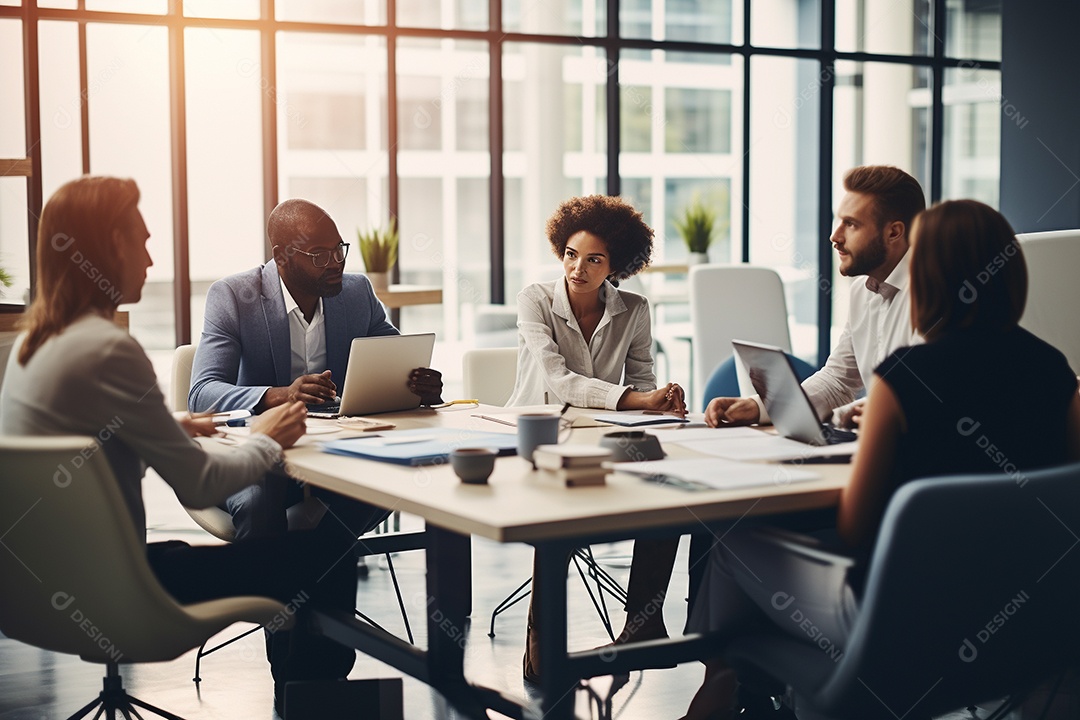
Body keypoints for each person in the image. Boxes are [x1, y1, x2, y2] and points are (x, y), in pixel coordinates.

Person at [679, 200, 1080, 720]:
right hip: (1031, 621)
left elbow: (853, 525)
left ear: (928, 277)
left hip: (902, 622)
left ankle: (726, 686)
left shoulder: (904, 378)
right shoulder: (1057, 374)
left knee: (732, 540)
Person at [0, 176, 363, 718]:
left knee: (301, 554)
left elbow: (83, 432)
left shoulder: (35, 346)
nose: (150, 260)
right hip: (119, 588)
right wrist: (267, 438)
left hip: (34, 585)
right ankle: (309, 707)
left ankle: (302, 697)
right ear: (109, 246)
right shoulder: (109, 348)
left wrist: (167, 425)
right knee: (332, 556)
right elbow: (200, 483)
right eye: (142, 241)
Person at [188, 198, 444, 542]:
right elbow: (202, 394)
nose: (335, 263)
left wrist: (421, 385)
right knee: (259, 501)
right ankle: (270, 593)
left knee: (387, 484)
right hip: (257, 458)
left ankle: (314, 582)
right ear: (282, 257)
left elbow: (396, 358)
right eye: (319, 255)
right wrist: (281, 395)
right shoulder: (234, 296)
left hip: (334, 455)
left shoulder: (357, 292)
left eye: (339, 250)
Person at [507, 194, 687, 682]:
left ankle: (644, 625)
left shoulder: (634, 308)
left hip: (607, 436)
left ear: (616, 266)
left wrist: (660, 402)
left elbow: (644, 378)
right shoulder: (534, 300)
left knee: (668, 495)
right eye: (570, 253)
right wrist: (637, 399)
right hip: (541, 436)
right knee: (559, 520)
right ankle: (542, 646)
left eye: (594, 259)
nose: (577, 268)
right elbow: (561, 382)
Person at [706, 165, 926, 430]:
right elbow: (837, 380)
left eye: (852, 224)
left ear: (894, 232)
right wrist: (759, 406)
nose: (835, 236)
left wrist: (846, 416)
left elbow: (924, 395)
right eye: (839, 220)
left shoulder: (933, 293)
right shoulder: (862, 291)